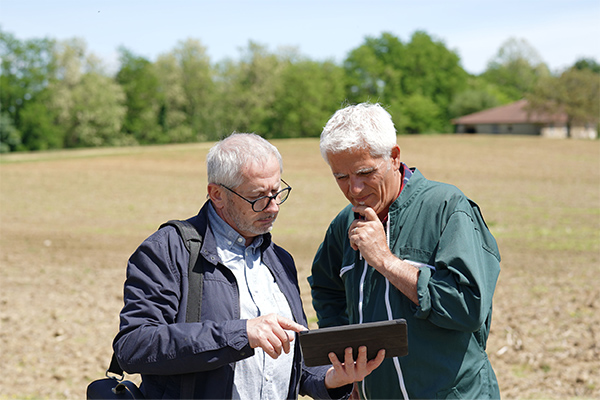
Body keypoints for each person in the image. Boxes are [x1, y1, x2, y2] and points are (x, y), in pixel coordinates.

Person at [113, 132, 384, 399]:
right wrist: (241, 333)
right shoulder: (169, 250)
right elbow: (134, 346)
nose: (273, 207)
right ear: (217, 194)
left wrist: (332, 379)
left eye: (277, 193)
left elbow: (296, 368)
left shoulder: (280, 260)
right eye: (258, 197)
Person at [309, 103, 501, 400]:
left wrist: (385, 261)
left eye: (364, 172)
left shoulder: (447, 208)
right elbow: (326, 289)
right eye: (341, 177)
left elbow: (468, 308)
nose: (354, 190)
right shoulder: (343, 223)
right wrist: (349, 366)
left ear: (394, 157)